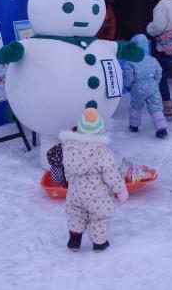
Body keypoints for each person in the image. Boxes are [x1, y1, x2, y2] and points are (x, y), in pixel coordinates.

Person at [61, 108, 128, 252]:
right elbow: (111, 175)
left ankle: (74, 240)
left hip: (75, 194)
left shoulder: (69, 149)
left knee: (77, 215)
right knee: (100, 218)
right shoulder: (103, 153)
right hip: (98, 197)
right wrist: (120, 190)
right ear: (100, 131)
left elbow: (67, 171)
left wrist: (69, 182)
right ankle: (99, 243)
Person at [124, 34, 168, 138]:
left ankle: (134, 126)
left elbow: (129, 76)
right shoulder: (152, 60)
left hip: (138, 87)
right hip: (152, 86)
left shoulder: (130, 61)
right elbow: (159, 72)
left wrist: (128, 85)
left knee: (136, 106)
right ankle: (161, 128)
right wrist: (155, 82)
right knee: (156, 107)